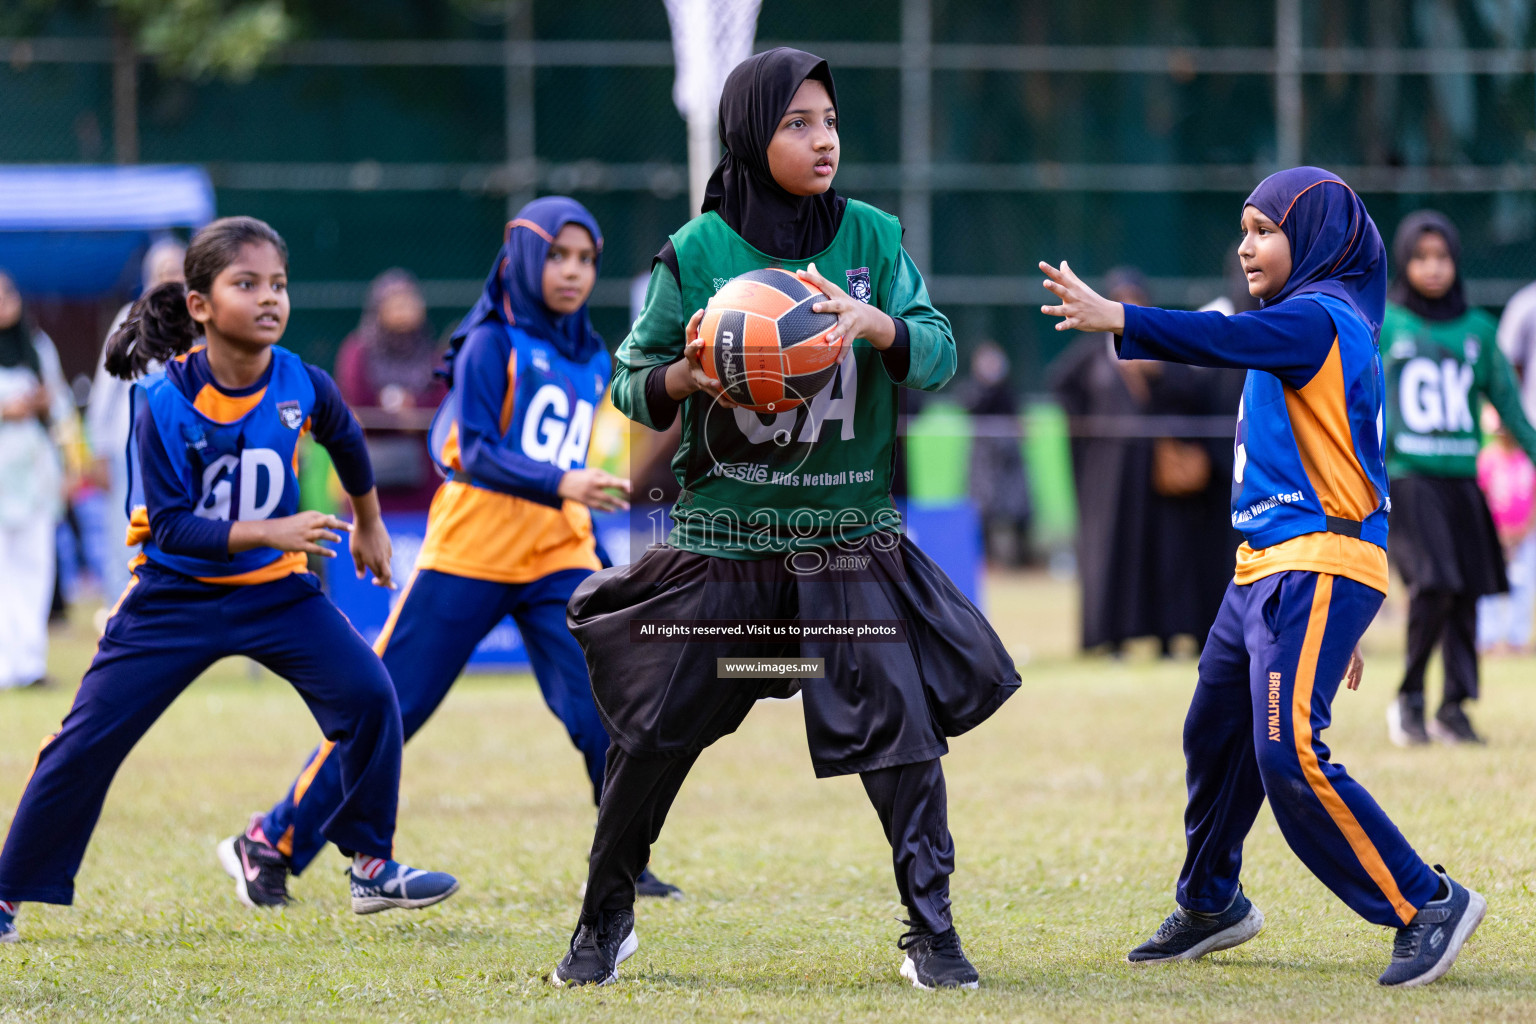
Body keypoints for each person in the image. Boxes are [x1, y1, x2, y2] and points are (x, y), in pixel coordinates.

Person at [550, 48, 1020, 990]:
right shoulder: (697, 252)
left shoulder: (874, 240)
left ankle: (932, 933)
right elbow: (631, 385)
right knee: (650, 735)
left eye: (831, 122)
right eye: (797, 122)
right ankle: (605, 918)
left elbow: (936, 351)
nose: (823, 140)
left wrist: (877, 323)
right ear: (750, 132)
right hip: (726, 548)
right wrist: (688, 372)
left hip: (847, 544)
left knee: (903, 738)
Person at [1040, 167, 1484, 988]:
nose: (1246, 246)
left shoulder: (1317, 317)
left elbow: (1220, 342)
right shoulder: (1303, 322)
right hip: (1263, 573)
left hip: (1313, 565)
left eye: (1265, 229)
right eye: (1243, 229)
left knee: (1290, 756)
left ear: (1312, 239)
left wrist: (1122, 318)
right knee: (1213, 736)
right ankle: (1212, 903)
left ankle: (1426, 904)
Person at [0, 217, 458, 945]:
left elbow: (344, 435)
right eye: (247, 284)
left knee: (372, 696)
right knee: (82, 745)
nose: (270, 297)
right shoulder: (164, 403)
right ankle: (6, 896)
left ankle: (372, 865)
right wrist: (275, 531)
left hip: (275, 595)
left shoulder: (302, 381)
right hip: (172, 597)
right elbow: (175, 527)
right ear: (201, 305)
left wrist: (370, 523)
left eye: (278, 283)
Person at [233, 197, 682, 905]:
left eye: (586, 259)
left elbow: (574, 465)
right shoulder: (489, 344)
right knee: (387, 710)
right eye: (559, 255)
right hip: (468, 555)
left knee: (611, 707)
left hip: (557, 557)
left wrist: (598, 557)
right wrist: (562, 481)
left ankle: (626, 857)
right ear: (527, 258)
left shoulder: (593, 352)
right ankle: (272, 841)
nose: (573, 272)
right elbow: (471, 453)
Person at [1378, 211, 1536, 746]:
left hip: (1464, 479)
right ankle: (1410, 697)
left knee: (1468, 591)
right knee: (1434, 583)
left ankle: (1454, 707)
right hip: (1409, 477)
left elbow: (1512, 412)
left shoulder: (1479, 331)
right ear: (1403, 261)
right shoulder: (1385, 325)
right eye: (1421, 257)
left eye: (1442, 257)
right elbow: (1362, 404)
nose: (1432, 268)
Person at [87, 238, 187, 609]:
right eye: (161, 272)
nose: (168, 279)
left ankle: (172, 604)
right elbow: (105, 386)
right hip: (129, 445)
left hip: (182, 447)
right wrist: (97, 449)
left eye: (175, 271)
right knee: (125, 525)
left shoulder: (199, 318)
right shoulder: (131, 316)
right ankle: (123, 603)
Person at [0, 270, 69, 690]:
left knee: (35, 569)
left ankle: (29, 663)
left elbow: (60, 406)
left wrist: (45, 403)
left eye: (8, 291)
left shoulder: (38, 347)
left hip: (35, 477)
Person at [333, 269, 446, 512]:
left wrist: (414, 411)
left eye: (409, 301)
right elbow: (355, 399)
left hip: (422, 476)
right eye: (395, 302)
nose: (403, 309)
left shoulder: (431, 355)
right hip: (373, 467)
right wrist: (396, 417)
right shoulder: (358, 351)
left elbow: (441, 402)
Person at [957, 341, 1032, 566]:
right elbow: (969, 406)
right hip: (984, 458)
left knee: (1019, 505)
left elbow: (1018, 417)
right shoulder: (973, 391)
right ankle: (984, 558)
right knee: (982, 508)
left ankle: (1021, 559)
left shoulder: (1009, 391)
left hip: (1010, 455)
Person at [1476, 407, 1535, 655]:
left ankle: (1516, 639)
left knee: (1523, 586)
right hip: (1494, 535)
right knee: (1488, 586)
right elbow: (1482, 497)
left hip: (1525, 536)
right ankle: (1487, 639)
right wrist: (1497, 533)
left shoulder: (1528, 459)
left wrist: (1523, 530)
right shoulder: (1487, 460)